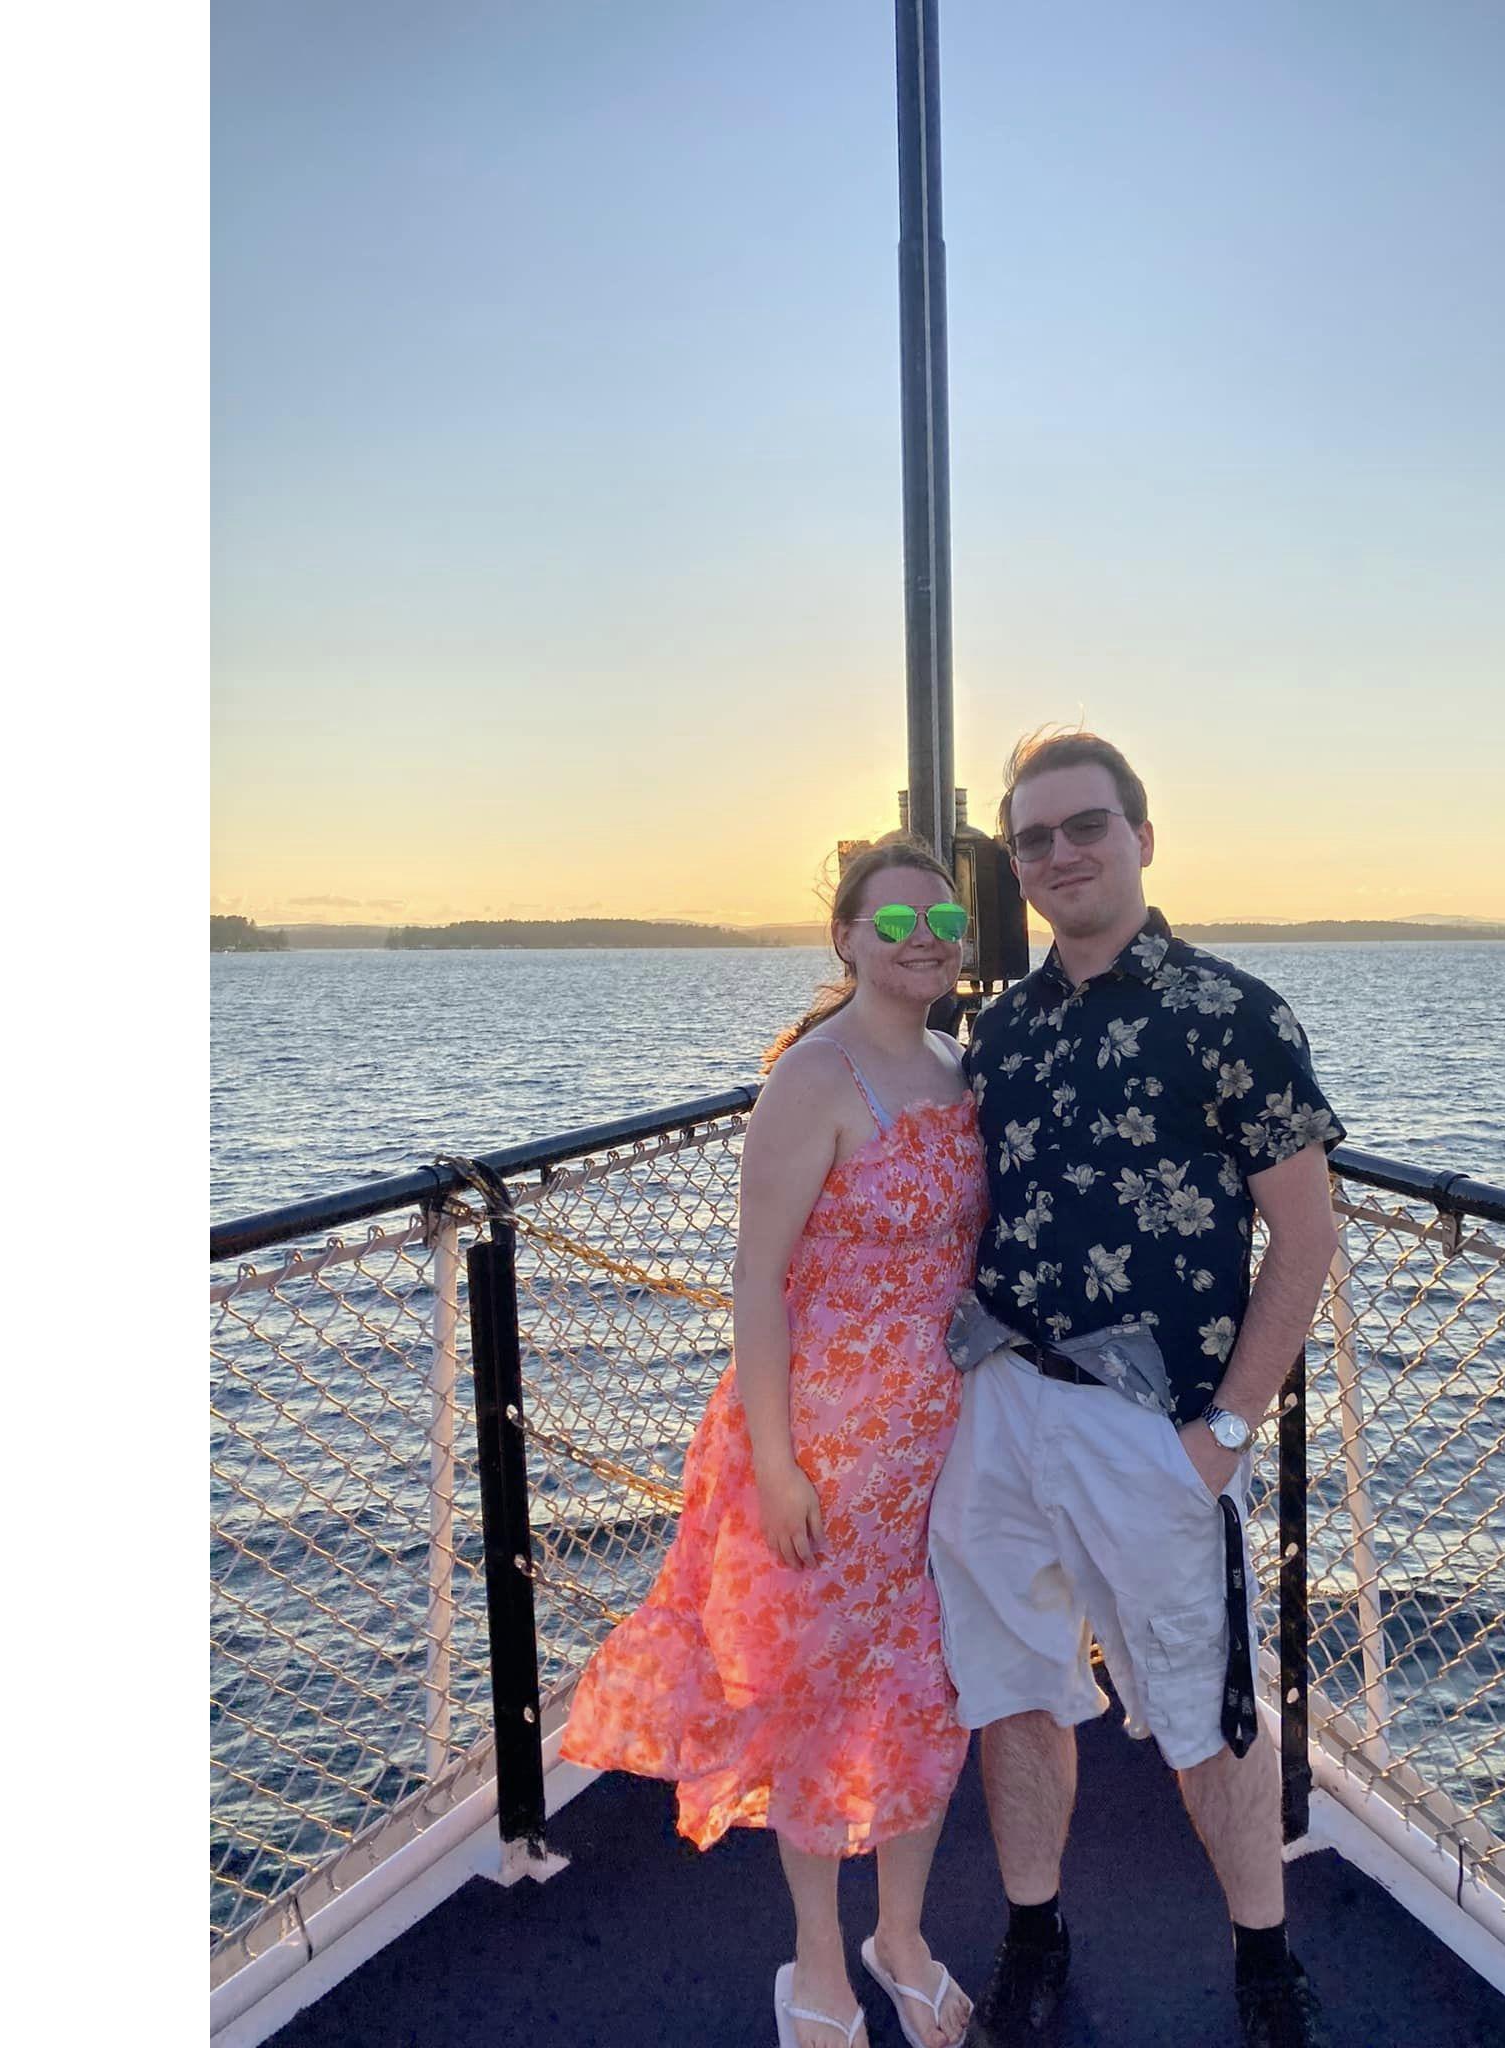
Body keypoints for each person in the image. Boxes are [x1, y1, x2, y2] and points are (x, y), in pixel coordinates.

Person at [926, 731, 1347, 2048]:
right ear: (1015, 864)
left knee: (1204, 1705)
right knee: (1013, 1688)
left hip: (1151, 1426)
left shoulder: (1232, 1015)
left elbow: (1305, 1239)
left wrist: (1223, 1431)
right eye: (1033, 838)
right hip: (1001, 1403)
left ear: (1142, 837)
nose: (1059, 853)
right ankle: (1034, 1930)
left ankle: (1263, 1956)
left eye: (1085, 826)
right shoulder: (999, 1029)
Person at [563, 836, 986, 2048]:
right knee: (815, 1698)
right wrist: (778, 1463)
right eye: (891, 920)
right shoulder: (813, 1077)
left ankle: (899, 1935)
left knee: (928, 1694)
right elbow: (756, 1281)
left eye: (940, 918)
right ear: (845, 937)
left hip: (945, 1443)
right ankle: (816, 1961)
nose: (920, 939)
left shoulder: (956, 1065)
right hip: (828, 1451)